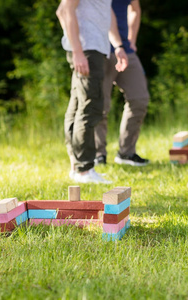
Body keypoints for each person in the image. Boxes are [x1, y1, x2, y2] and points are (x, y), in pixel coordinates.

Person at [56, 0, 128, 184]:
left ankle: (77, 166)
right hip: (87, 50)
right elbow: (64, 10)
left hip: (95, 49)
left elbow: (107, 12)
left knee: (78, 106)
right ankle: (84, 169)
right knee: (90, 107)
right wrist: (77, 50)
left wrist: (118, 46)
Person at [94, 0, 150, 167]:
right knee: (100, 104)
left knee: (139, 99)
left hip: (125, 50)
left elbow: (135, 10)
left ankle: (126, 153)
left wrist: (131, 40)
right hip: (99, 50)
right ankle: (98, 155)